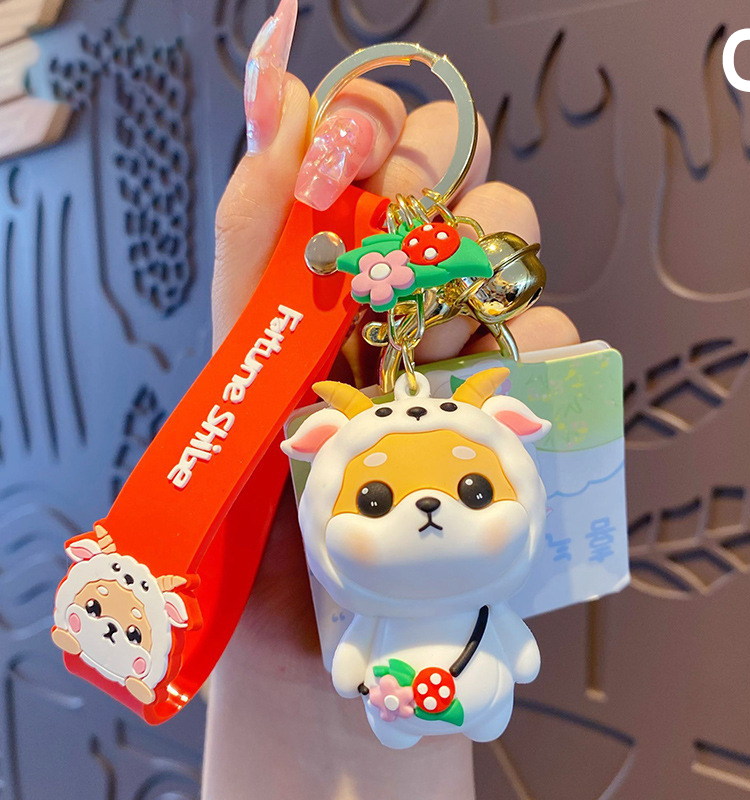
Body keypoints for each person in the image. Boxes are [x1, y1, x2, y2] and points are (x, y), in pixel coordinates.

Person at [202, 1, 579, 797]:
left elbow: (513, 648)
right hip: (381, 698)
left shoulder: (472, 594)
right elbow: (357, 655)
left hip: (440, 703)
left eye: (473, 488)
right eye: (374, 499)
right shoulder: (346, 574)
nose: (431, 509)